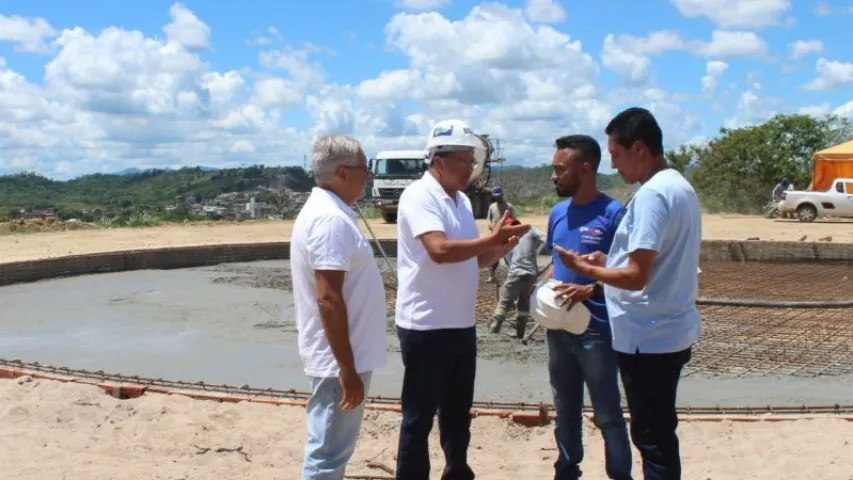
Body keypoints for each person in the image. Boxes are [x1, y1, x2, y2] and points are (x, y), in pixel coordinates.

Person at [554, 107, 702, 480]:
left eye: (617, 155)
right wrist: (609, 259)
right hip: (668, 331)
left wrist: (589, 270)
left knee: (651, 439)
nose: (615, 166)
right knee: (658, 434)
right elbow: (651, 259)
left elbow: (637, 276)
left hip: (648, 339)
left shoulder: (652, 195)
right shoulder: (679, 187)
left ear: (639, 149)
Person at [394, 119, 531, 480]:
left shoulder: (460, 201)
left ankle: (457, 471)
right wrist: (490, 241)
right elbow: (439, 250)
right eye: (464, 160)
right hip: (425, 326)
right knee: (418, 417)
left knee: (457, 413)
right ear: (439, 159)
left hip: (459, 325)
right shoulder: (419, 196)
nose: (471, 168)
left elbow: (471, 259)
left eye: (473, 161)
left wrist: (500, 246)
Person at [290, 135, 387, 479]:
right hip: (340, 360)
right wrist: (346, 368)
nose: (368, 176)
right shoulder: (330, 220)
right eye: (365, 168)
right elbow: (328, 298)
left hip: (344, 356)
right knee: (328, 454)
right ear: (343, 173)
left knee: (331, 449)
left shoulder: (331, 213)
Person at [541, 134, 633, 480]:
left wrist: (591, 287)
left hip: (596, 331)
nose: (554, 176)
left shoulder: (613, 214)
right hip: (558, 329)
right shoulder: (557, 213)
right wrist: (542, 291)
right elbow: (555, 263)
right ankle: (567, 469)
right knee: (565, 407)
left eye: (559, 169)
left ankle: (619, 475)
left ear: (585, 168)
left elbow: (626, 272)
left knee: (607, 412)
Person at [487, 217, 548, 338]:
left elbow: (507, 259)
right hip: (531, 274)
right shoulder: (530, 230)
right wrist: (536, 251)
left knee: (504, 302)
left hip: (515, 273)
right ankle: (520, 333)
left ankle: (493, 330)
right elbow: (546, 240)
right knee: (524, 302)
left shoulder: (508, 238)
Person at [486, 186, 516, 282]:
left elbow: (514, 221)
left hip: (506, 236)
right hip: (494, 236)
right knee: (493, 257)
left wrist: (508, 227)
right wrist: (490, 225)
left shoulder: (509, 207)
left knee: (508, 257)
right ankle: (492, 276)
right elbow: (489, 218)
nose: (497, 198)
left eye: (499, 196)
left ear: (502, 195)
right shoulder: (492, 207)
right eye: (495, 196)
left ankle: (511, 276)